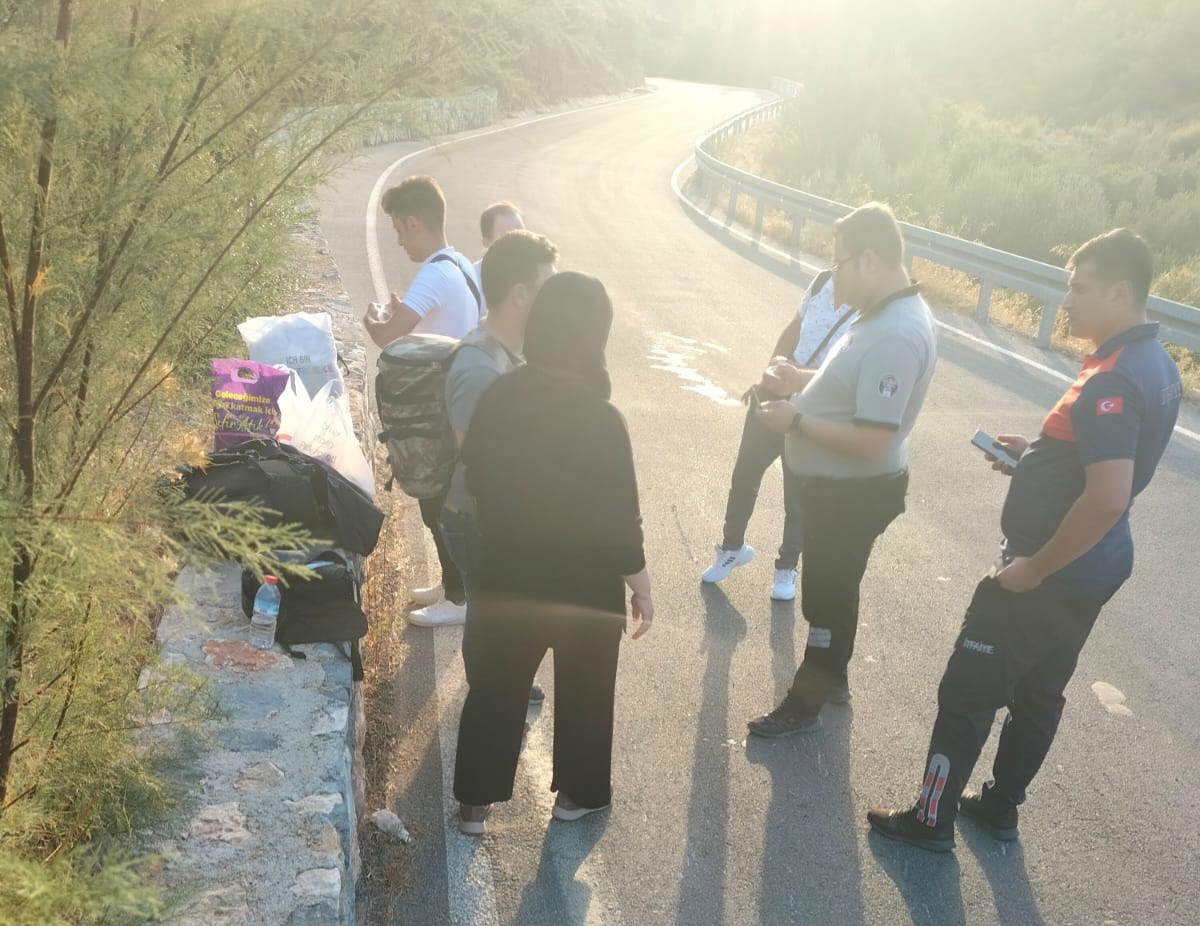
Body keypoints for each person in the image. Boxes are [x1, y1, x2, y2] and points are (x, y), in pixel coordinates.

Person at [868, 229, 1182, 852]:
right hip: (1095, 566)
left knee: (968, 689)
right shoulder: (1156, 363)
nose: (1066, 301)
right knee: (1040, 689)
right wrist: (1035, 455)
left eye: (1080, 288)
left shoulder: (1112, 382)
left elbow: (1108, 495)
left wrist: (1033, 569)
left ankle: (931, 820)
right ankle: (1000, 806)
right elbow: (1098, 464)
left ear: (1122, 292)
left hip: (1052, 569)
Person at [452, 272, 654, 835]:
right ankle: (575, 795)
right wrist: (641, 584)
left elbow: (475, 478)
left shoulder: (500, 396)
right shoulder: (603, 419)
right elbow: (621, 520)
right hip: (584, 584)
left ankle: (474, 804)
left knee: (495, 686)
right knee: (588, 687)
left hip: (505, 570)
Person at [747, 202, 937, 737]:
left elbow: (874, 439)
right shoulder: (879, 314)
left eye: (839, 264)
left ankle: (804, 704)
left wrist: (795, 422)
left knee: (825, 599)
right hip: (843, 487)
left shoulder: (896, 332)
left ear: (870, 260)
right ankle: (834, 679)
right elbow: (848, 385)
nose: (832, 280)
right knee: (838, 587)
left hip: (854, 491)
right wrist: (799, 381)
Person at [364, 175, 482, 620]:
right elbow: (434, 327)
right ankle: (453, 585)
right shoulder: (460, 265)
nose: (398, 242)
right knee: (444, 501)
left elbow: (388, 338)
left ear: (413, 222)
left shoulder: (432, 273)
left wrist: (375, 319)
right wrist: (401, 314)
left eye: (397, 230)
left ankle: (460, 599)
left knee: (438, 506)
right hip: (456, 401)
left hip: (438, 409)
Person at [701, 269, 857, 600]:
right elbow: (793, 331)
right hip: (775, 392)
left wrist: (798, 380)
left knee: (797, 495)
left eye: (846, 252)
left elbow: (847, 370)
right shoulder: (821, 282)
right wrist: (769, 373)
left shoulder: (867, 308)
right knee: (745, 473)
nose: (838, 260)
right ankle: (732, 548)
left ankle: (786, 569)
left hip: (812, 406)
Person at [474, 202, 525, 320]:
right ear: (486, 243)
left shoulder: (533, 282)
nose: (519, 245)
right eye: (507, 238)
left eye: (522, 236)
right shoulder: (469, 284)